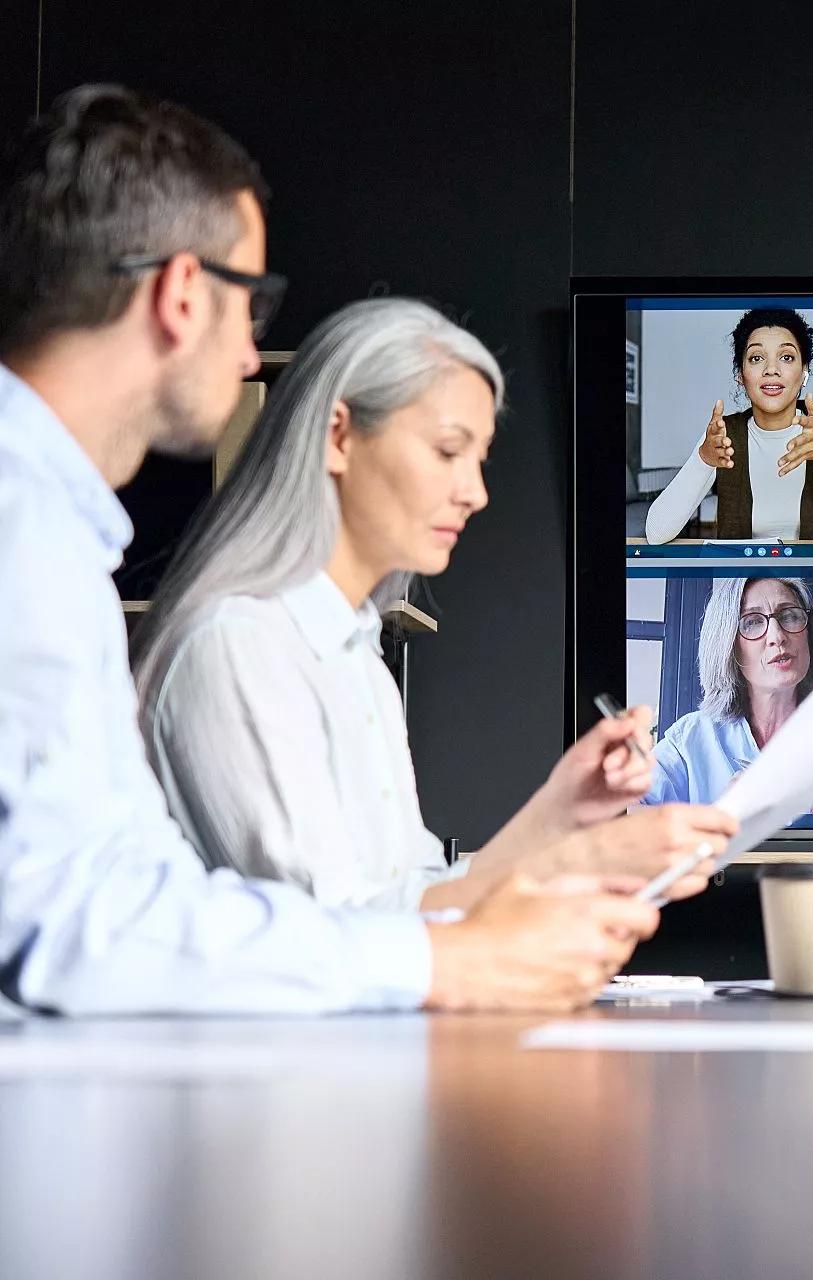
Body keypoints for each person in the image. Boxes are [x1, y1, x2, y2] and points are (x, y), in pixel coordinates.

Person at [0, 85, 679, 1015]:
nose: (250, 358)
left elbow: (149, 897)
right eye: (254, 305)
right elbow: (92, 921)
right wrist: (469, 952)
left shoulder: (69, 538)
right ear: (184, 293)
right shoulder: (49, 542)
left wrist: (557, 835)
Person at [132, 298, 737, 911]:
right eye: (449, 451)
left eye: (480, 461)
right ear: (338, 436)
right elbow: (333, 936)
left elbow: (415, 896)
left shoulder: (356, 657)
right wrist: (581, 859)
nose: (475, 494)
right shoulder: (239, 643)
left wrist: (563, 811)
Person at [647, 575, 813, 813]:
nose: (777, 636)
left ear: (809, 633)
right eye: (751, 622)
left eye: (789, 616)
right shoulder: (691, 738)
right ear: (728, 645)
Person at [644, 308, 813, 544]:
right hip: (741, 583)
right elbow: (656, 533)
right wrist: (703, 460)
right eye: (757, 358)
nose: (771, 370)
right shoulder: (723, 434)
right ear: (740, 373)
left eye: (786, 357)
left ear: (804, 370)